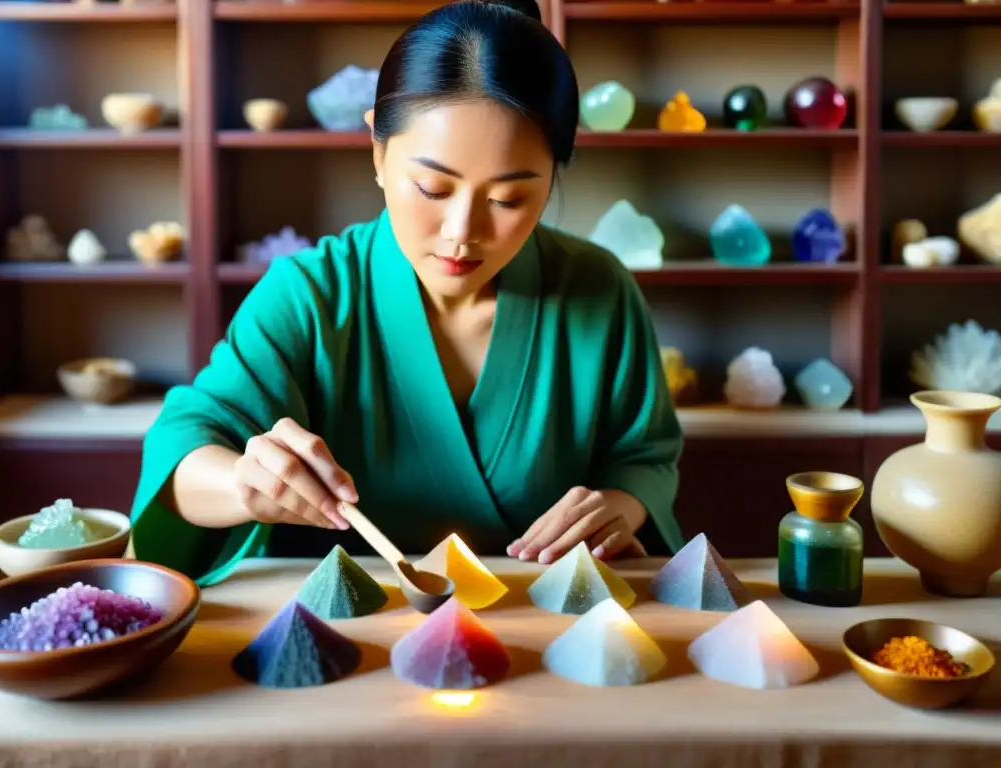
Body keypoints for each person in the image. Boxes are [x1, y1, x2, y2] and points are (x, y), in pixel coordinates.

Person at [129, 0, 685, 587]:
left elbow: (643, 457)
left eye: (507, 200)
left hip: (542, 626)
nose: (462, 232)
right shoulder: (310, 295)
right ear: (377, 152)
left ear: (552, 178)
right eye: (431, 186)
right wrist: (246, 483)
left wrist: (619, 506)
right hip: (343, 632)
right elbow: (186, 446)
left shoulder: (599, 290)